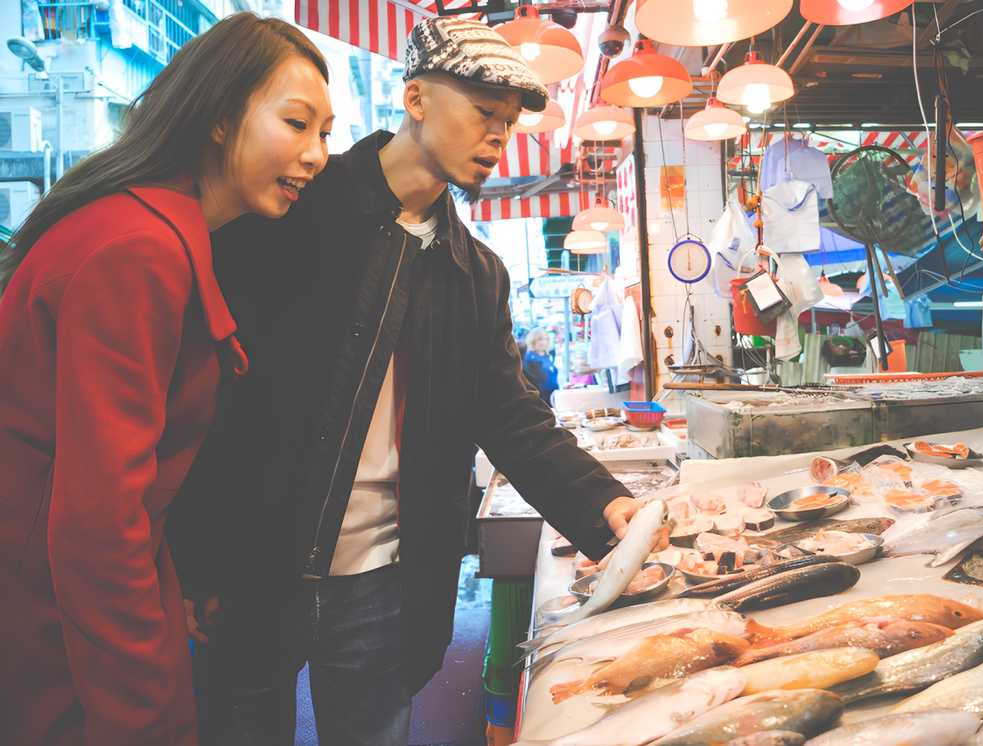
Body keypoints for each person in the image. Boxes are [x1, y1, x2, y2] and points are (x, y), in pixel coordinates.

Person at [171, 16, 661, 746]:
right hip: (255, 566)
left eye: (510, 122)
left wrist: (604, 504)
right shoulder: (292, 205)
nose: (500, 136)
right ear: (417, 99)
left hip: (388, 581)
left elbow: (512, 418)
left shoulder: (475, 272)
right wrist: (194, 553)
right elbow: (208, 396)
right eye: (484, 114)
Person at [0, 14, 333, 745]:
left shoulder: (145, 228)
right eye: (297, 124)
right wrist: (145, 715)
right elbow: (98, 523)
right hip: (62, 637)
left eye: (326, 134)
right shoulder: (140, 250)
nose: (316, 155)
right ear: (219, 117)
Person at [522, 327, 559, 404]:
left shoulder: (546, 356)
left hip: (553, 397)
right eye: (540, 339)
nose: (544, 342)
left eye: (546, 339)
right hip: (541, 399)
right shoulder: (530, 358)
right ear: (533, 341)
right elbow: (532, 383)